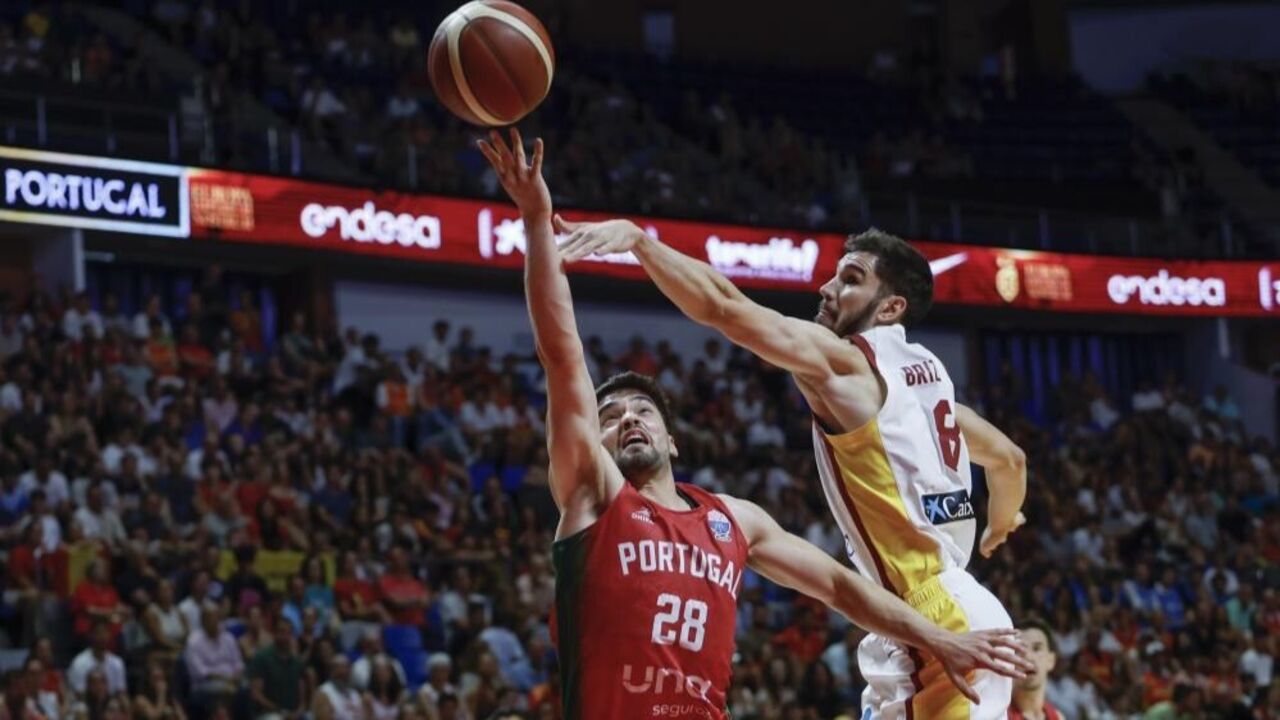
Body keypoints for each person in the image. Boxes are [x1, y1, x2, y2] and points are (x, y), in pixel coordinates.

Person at [476, 129, 1031, 719]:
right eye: (612, 416)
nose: (826, 286)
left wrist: (639, 241)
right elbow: (1009, 461)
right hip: (925, 617)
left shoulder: (835, 371)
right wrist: (999, 523)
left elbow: (724, 307)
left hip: (933, 614)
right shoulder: (927, 383)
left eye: (850, 279)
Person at [1007, 619, 1061, 720]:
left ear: (1051, 660)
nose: (1029, 657)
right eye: (1019, 650)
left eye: (1037, 648)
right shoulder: (997, 713)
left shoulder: (1057, 717)